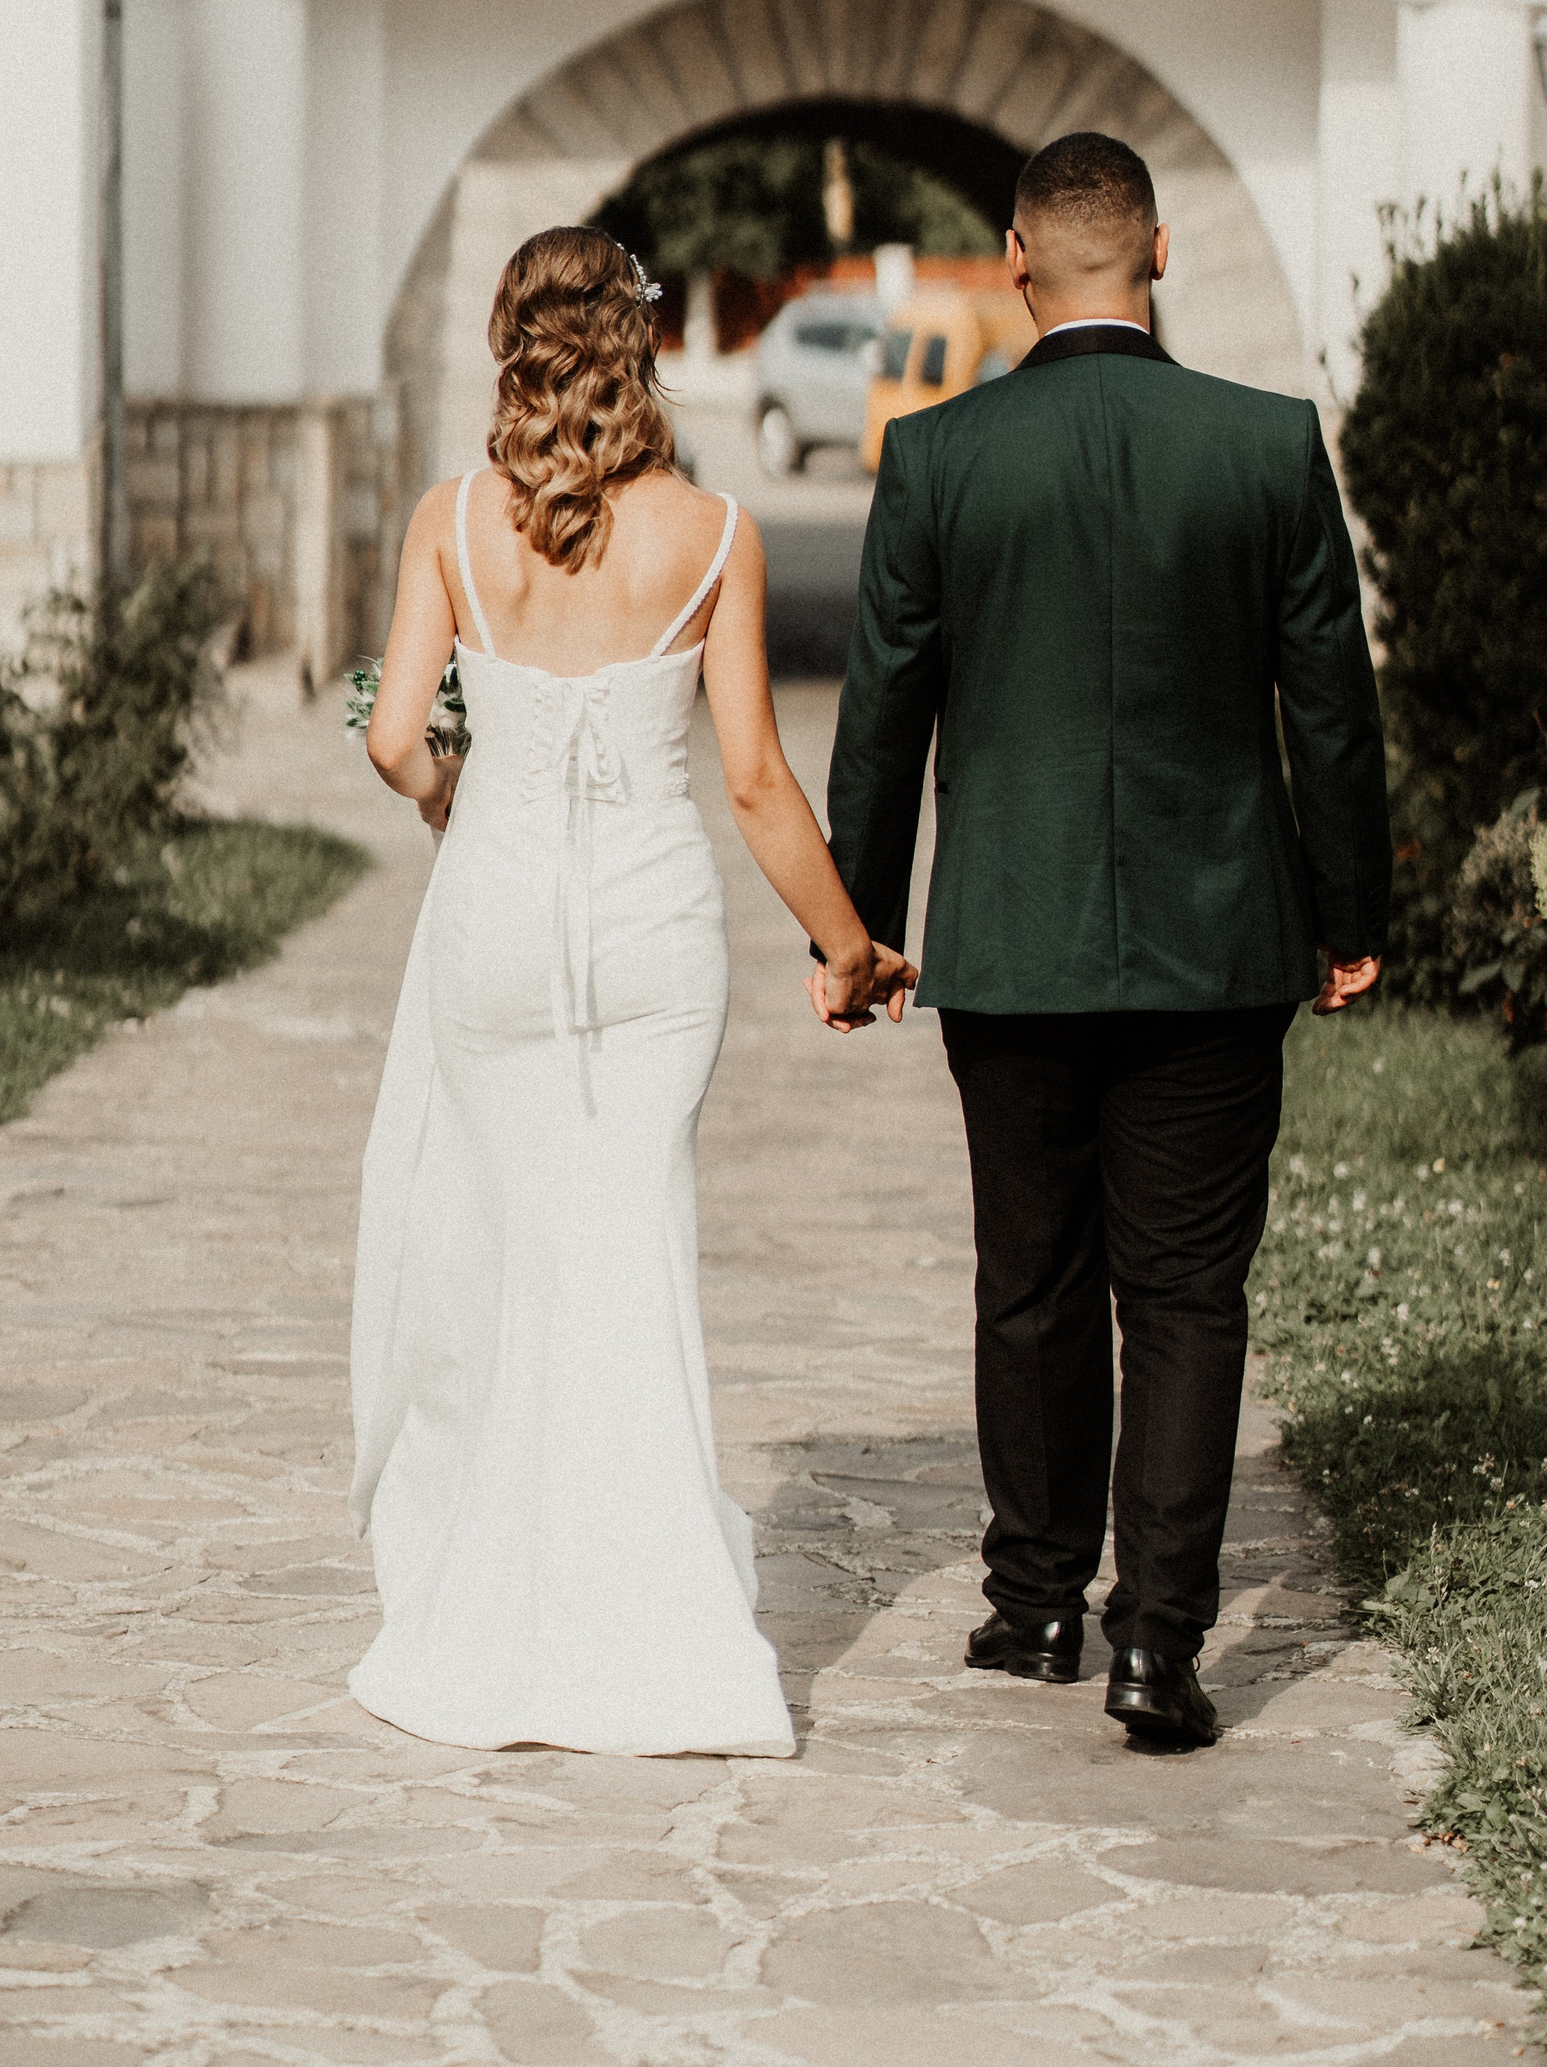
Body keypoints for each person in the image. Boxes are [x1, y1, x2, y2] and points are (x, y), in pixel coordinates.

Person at [822, 132, 1391, 1749]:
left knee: (1034, 1277)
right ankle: (1159, 1644)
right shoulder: (1265, 443)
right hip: (1217, 938)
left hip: (1009, 939)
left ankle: (1033, 1604)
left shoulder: (938, 454)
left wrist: (860, 927)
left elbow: (885, 709)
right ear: (1160, 250)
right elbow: (1331, 705)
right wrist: (1352, 913)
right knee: (1189, 1294)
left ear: (1015, 257)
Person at [349, 225, 914, 1758]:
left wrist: (456, 787)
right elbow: (756, 781)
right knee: (630, 1250)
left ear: (512, 346)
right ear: (642, 344)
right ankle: (653, 1619)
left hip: (497, 928)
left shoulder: (454, 522)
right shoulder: (715, 535)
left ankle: (507, 1606)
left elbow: (397, 738)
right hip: (655, 944)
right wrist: (849, 943)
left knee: (523, 1253)